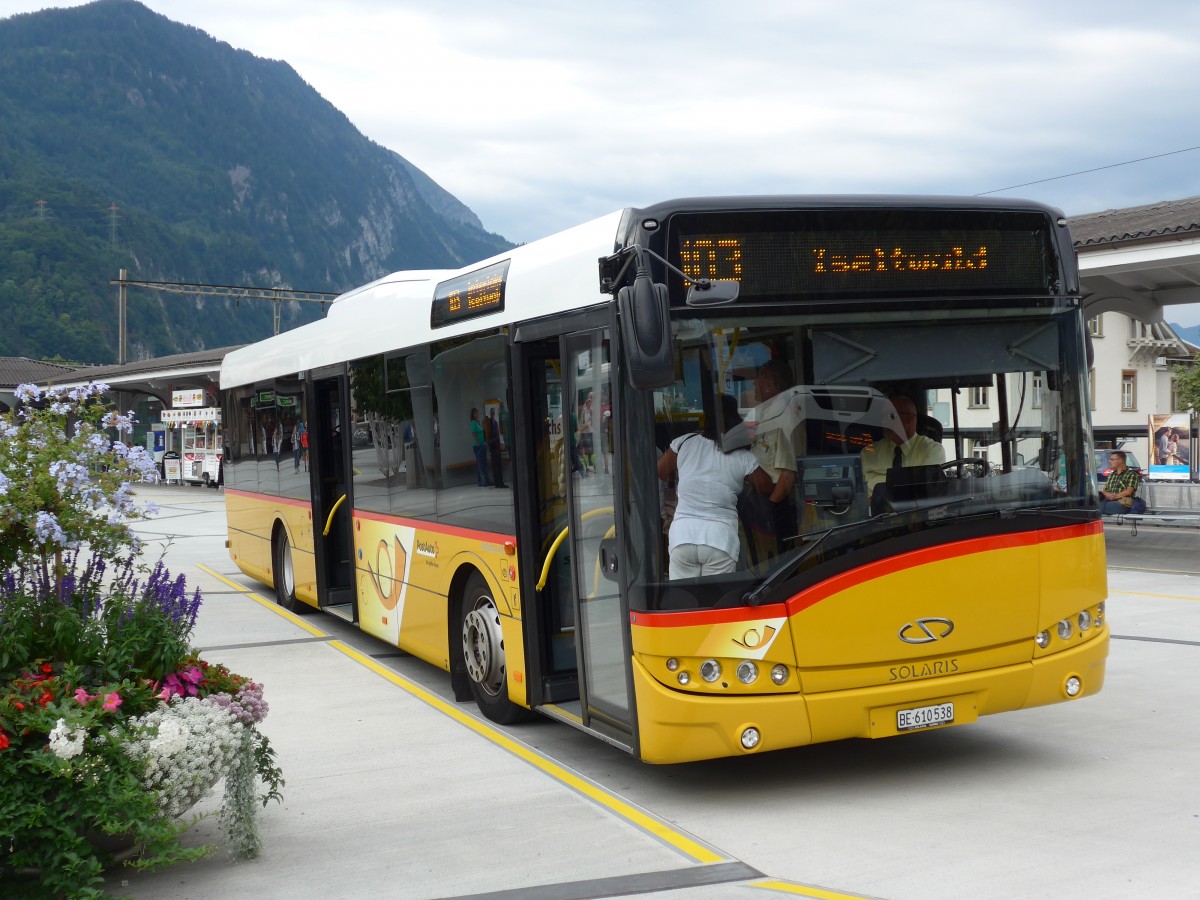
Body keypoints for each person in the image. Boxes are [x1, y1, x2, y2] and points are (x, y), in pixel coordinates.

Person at [657, 395, 772, 579]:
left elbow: (661, 471)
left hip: (682, 537)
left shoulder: (685, 442)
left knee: (683, 601)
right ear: (736, 421)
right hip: (720, 541)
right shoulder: (742, 456)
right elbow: (766, 486)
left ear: (706, 418)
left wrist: (681, 474)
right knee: (715, 601)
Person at [740, 360, 799, 563]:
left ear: (770, 384)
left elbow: (788, 473)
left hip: (774, 502)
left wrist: (770, 509)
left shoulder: (785, 417)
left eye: (759, 381)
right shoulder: (766, 414)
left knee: (777, 565)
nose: (755, 384)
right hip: (758, 500)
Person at [860, 394, 946, 507]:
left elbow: (925, 493)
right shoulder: (869, 452)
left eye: (889, 416)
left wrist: (879, 500)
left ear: (908, 419)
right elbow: (858, 494)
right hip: (874, 520)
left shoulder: (932, 450)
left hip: (916, 518)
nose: (883, 421)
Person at [1100, 450, 1145, 514]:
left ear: (1120, 461)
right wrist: (1108, 495)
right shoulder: (1112, 475)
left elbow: (1129, 491)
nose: (1110, 461)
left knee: (1098, 508)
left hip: (1123, 503)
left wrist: (1114, 496)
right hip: (1108, 501)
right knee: (1094, 505)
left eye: (1112, 459)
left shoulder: (1131, 474)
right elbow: (1105, 491)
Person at [470, 407, 492, 486]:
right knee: (480, 463)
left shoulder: (478, 422)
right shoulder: (473, 422)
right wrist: (479, 443)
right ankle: (482, 481)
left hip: (482, 445)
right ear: (472, 414)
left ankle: (485, 480)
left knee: (483, 463)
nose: (476, 414)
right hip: (477, 446)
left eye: (477, 413)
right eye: (475, 413)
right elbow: (473, 434)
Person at [487, 407, 506, 488]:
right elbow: (489, 438)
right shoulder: (490, 424)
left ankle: (500, 482)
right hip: (494, 448)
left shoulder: (496, 423)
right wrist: (496, 440)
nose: (493, 415)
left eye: (494, 413)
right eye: (492, 413)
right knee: (496, 466)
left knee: (499, 466)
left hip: (497, 447)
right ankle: (498, 483)